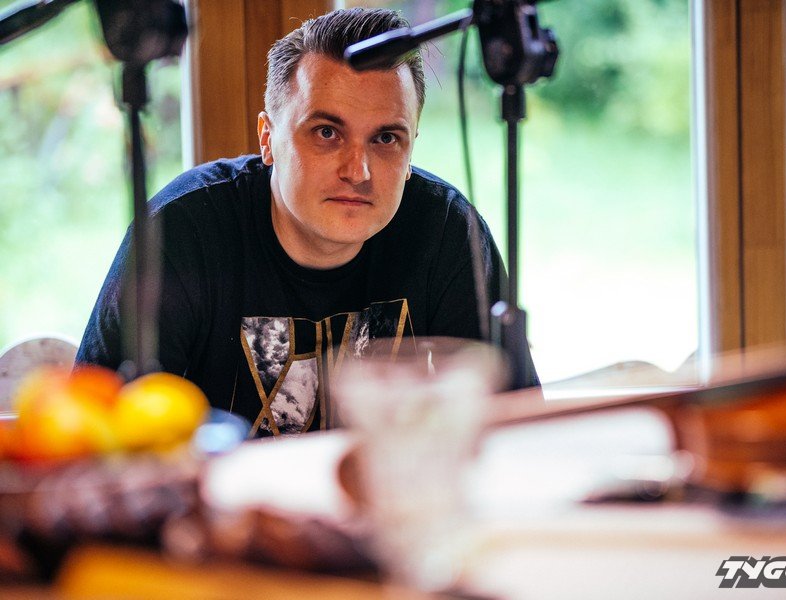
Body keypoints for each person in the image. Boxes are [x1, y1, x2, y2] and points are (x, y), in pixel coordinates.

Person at [77, 7, 538, 436]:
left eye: (385, 138)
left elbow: (516, 432)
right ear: (267, 139)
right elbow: (100, 434)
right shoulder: (181, 231)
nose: (358, 171)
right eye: (326, 132)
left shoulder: (445, 231)